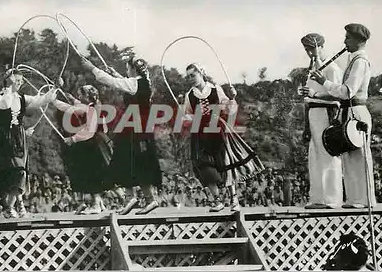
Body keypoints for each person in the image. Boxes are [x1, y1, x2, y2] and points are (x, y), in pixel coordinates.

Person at [80, 56, 162, 215]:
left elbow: (114, 82)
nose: (126, 71)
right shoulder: (142, 82)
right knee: (134, 160)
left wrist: (92, 68)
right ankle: (142, 198)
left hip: (136, 128)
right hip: (138, 127)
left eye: (127, 68)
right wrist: (116, 74)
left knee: (125, 159)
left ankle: (137, 197)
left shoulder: (135, 83)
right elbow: (125, 82)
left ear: (133, 69)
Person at [0, 70, 57, 218]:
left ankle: (14, 206)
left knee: (19, 171)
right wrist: (8, 87)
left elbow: (41, 101)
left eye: (20, 81)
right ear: (9, 80)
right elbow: (5, 105)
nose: (20, 83)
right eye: (17, 80)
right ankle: (12, 206)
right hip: (4, 139)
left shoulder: (21, 97)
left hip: (18, 137)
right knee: (15, 171)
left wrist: (55, 88)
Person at [182, 63, 264, 212]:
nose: (190, 79)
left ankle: (234, 199)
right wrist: (187, 119)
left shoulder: (215, 89)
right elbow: (187, 114)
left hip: (217, 130)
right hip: (200, 133)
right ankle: (217, 200)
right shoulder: (190, 95)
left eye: (192, 75)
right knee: (204, 166)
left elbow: (229, 108)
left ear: (201, 73)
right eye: (188, 77)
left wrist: (232, 98)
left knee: (225, 163)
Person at [310, 23, 376, 208]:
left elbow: (347, 91)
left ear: (358, 40)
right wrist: (317, 93)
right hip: (350, 112)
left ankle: (364, 200)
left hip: (357, 112)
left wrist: (324, 81)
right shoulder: (353, 60)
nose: (344, 41)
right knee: (349, 156)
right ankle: (355, 199)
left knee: (360, 156)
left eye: (347, 38)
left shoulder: (360, 61)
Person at [298, 33, 344, 209]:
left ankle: (332, 199)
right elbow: (308, 99)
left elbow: (337, 96)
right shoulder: (312, 72)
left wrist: (315, 95)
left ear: (321, 47)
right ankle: (317, 198)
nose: (310, 54)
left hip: (326, 113)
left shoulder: (332, 69)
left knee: (329, 156)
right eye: (307, 50)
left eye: (312, 49)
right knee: (315, 157)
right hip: (313, 113)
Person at [53, 83, 112, 214]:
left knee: (92, 173)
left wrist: (72, 139)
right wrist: (55, 100)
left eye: (80, 95)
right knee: (89, 172)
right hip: (97, 143)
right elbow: (71, 107)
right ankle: (97, 204)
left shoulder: (91, 109)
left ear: (87, 97)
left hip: (93, 144)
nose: (78, 97)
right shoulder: (94, 105)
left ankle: (96, 204)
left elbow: (88, 131)